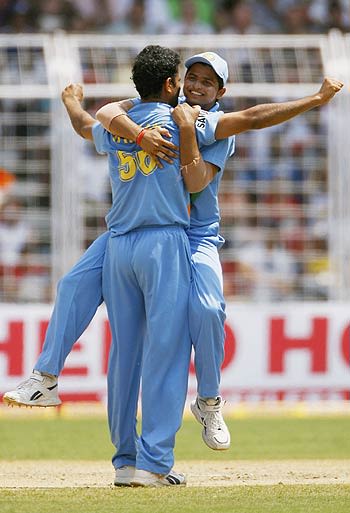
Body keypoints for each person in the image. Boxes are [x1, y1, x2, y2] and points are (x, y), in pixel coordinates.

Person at [3, 46, 343, 482]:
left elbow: (94, 122)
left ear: (221, 90)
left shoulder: (190, 120)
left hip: (165, 235)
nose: (197, 86)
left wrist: (74, 101)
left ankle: (203, 405)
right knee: (155, 349)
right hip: (164, 237)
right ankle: (143, 460)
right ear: (173, 83)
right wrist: (314, 100)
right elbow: (107, 116)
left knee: (182, 321)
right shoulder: (182, 118)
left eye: (207, 81)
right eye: (191, 78)